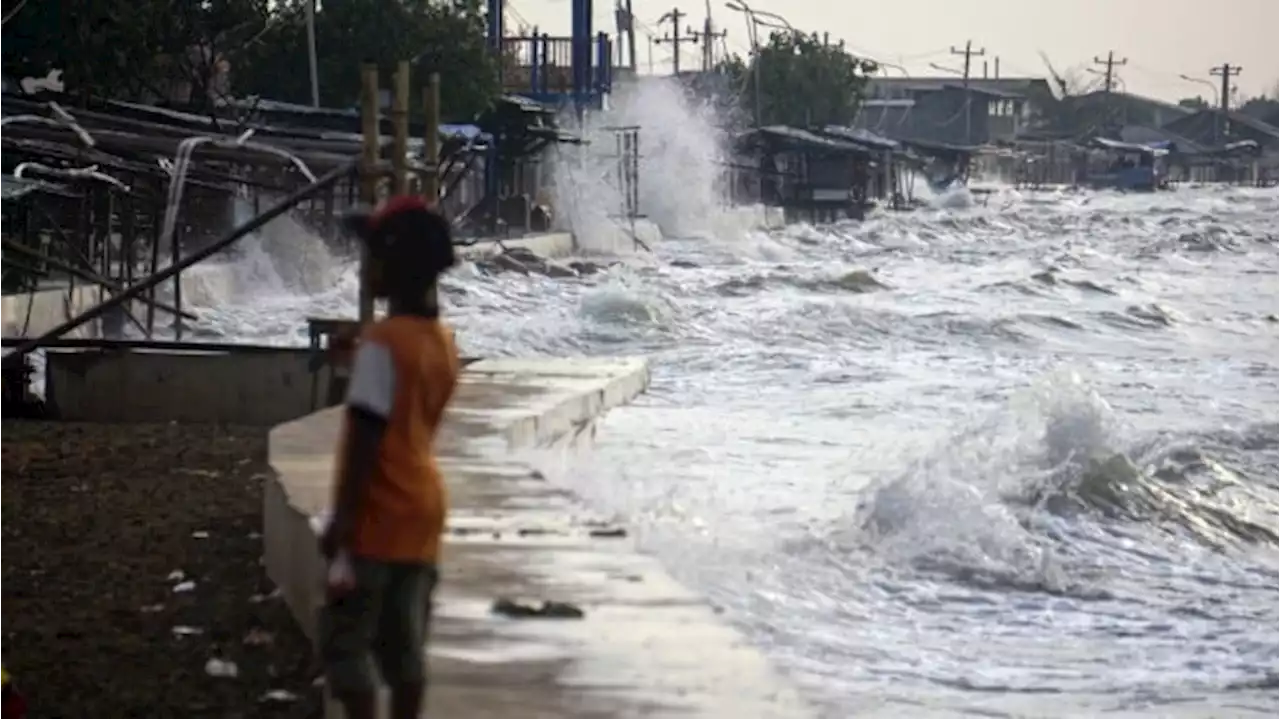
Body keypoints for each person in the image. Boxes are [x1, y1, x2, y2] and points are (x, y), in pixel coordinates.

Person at [320, 195, 460, 719]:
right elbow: (408, 400)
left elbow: (365, 437)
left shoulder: (383, 343)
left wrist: (343, 521)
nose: (365, 265)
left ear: (393, 266)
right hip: (424, 509)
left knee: (346, 644)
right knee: (406, 650)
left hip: (377, 511)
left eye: (373, 254)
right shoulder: (440, 342)